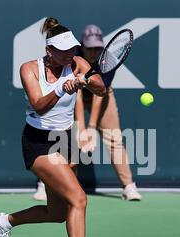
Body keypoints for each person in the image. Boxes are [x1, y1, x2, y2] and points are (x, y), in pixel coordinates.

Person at [0, 17, 112, 237]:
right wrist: (60, 88)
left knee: (59, 212)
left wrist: (86, 81)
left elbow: (102, 90)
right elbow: (39, 104)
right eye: (64, 50)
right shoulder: (29, 69)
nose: (70, 54)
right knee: (79, 199)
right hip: (39, 143)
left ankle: (4, 221)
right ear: (49, 51)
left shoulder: (78, 63)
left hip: (65, 140)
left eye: (72, 49)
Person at [34, 25, 142, 202]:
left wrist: (90, 128)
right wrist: (81, 128)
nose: (94, 52)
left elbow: (100, 93)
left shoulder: (108, 60)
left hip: (100, 95)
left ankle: (128, 186)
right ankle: (44, 184)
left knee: (114, 137)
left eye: (98, 48)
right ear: (82, 46)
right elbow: (74, 94)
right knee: (60, 135)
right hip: (72, 93)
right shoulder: (72, 56)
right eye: (90, 48)